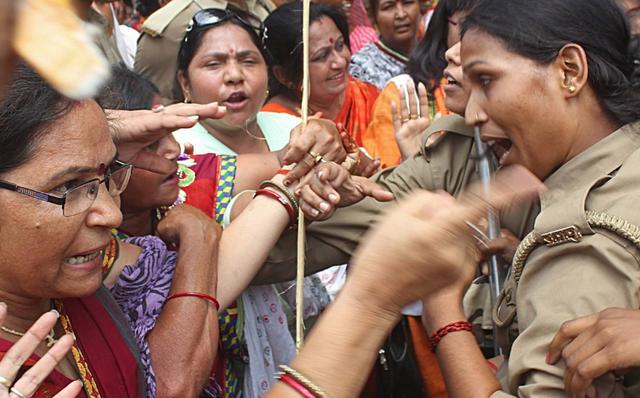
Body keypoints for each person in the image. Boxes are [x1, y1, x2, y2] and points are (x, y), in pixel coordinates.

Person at [362, 0, 475, 167]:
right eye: (469, 23)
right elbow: (384, 182)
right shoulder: (404, 92)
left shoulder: (504, 86)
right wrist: (414, 162)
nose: (400, 14)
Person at [262, 2, 380, 152]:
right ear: (283, 75)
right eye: (322, 56)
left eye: (340, 45)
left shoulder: (367, 96)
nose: (340, 61)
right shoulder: (275, 123)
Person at [135, 0, 275, 102]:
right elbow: (153, 106)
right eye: (213, 64)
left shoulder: (262, 6)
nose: (235, 75)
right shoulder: (174, 26)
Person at [348, 0, 422, 89]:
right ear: (373, 16)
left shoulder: (435, 54)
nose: (401, 15)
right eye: (388, 7)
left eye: (407, 2)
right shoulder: (362, 69)